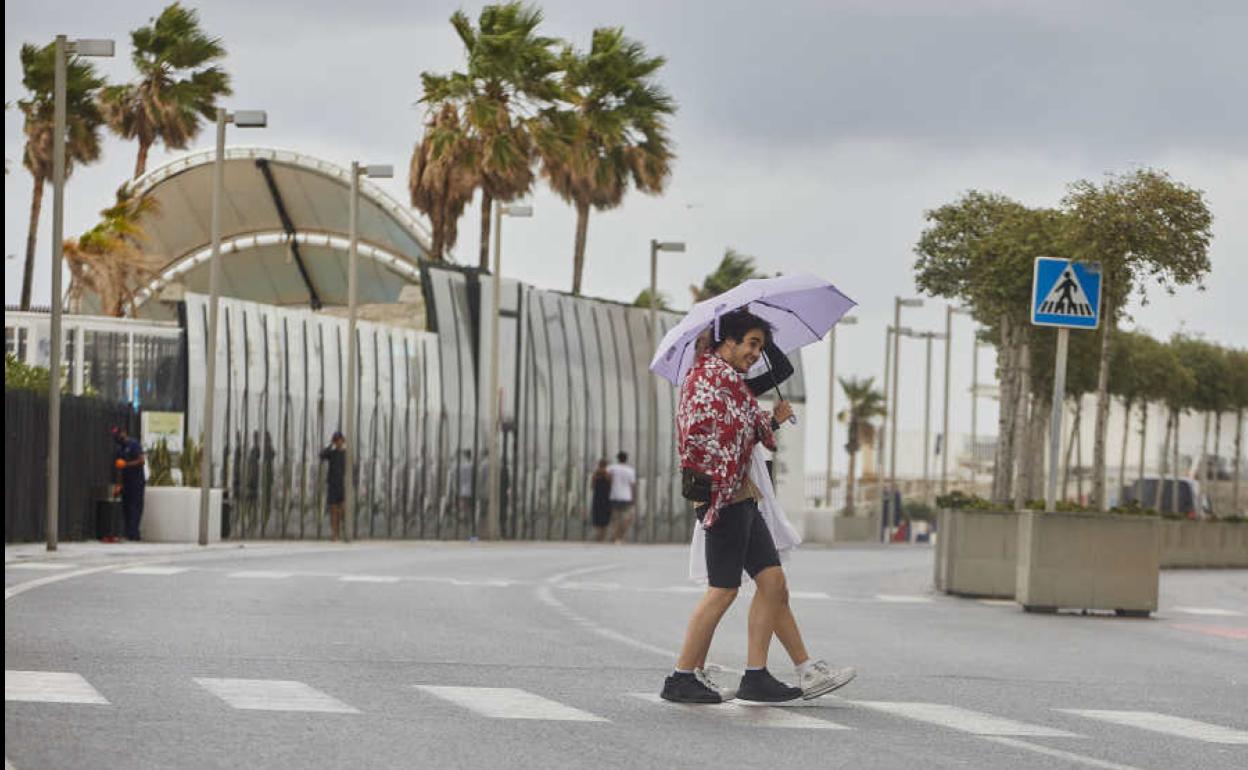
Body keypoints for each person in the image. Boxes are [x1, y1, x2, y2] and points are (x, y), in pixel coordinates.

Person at [661, 309, 856, 704]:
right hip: (723, 496)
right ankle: (681, 677)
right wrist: (760, 424)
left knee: (772, 584)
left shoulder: (729, 380)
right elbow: (712, 433)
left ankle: (756, 676)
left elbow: (748, 424)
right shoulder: (706, 378)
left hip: (744, 495)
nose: (755, 354)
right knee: (723, 590)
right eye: (751, 344)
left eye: (759, 346)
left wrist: (770, 421)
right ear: (726, 340)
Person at [111, 427, 146, 541]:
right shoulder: (120, 449)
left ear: (124, 433)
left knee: (135, 508)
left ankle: (134, 534)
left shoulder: (133, 444)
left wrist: (126, 464)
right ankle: (128, 532)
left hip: (136, 482)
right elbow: (119, 469)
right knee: (126, 508)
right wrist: (118, 485)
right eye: (115, 436)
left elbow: (141, 461)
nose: (118, 438)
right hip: (126, 482)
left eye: (119, 435)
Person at [319, 431, 347, 541]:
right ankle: (334, 534)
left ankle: (342, 531)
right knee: (333, 510)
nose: (338, 442)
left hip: (342, 485)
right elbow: (322, 455)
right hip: (333, 484)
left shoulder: (345, 454)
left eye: (339, 440)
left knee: (342, 510)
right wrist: (330, 445)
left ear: (343, 441)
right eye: (336, 440)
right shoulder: (332, 453)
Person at [606, 451, 637, 544]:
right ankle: (621, 536)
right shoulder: (630, 470)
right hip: (626, 497)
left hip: (614, 495)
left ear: (618, 458)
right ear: (626, 459)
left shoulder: (612, 468)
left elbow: (607, 478)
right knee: (626, 518)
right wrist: (633, 497)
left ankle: (615, 537)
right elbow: (632, 485)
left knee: (615, 518)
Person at [589, 459, 613, 542]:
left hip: (597, 498)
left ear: (599, 465)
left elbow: (592, 486)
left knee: (597, 519)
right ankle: (602, 538)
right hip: (606, 499)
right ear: (606, 466)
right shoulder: (608, 475)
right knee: (605, 520)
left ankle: (598, 538)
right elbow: (610, 486)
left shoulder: (595, 474)